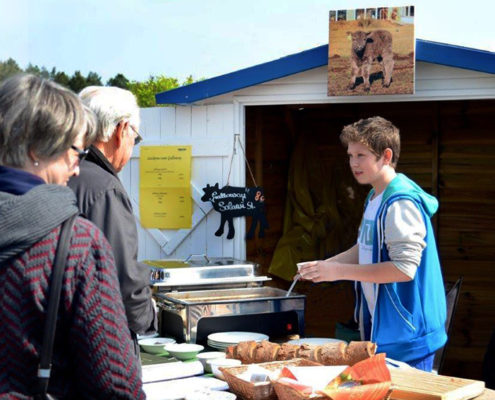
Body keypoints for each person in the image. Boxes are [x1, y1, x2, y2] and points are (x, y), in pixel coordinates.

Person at [0, 74, 145, 398]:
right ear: (37, 148)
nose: (77, 168)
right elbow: (117, 386)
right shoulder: (75, 244)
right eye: (74, 153)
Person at [298, 116, 447, 371]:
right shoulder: (374, 195)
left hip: (409, 339)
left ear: (386, 156)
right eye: (350, 155)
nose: (353, 163)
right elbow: (365, 248)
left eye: (361, 155)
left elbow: (403, 269)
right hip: (386, 334)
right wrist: (324, 266)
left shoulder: (400, 202)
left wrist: (338, 272)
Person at [68, 86, 157, 348]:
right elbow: (121, 277)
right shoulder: (104, 188)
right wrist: (149, 318)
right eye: (135, 138)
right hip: (97, 339)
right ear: (121, 130)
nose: (133, 147)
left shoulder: (67, 172)